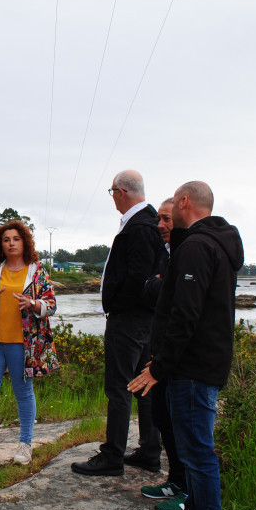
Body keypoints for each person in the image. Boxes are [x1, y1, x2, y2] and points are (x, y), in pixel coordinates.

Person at [128, 181, 244, 510]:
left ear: (183, 202)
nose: (167, 217)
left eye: (171, 207)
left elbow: (186, 315)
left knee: (199, 456)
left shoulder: (196, 246)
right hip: (199, 366)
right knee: (195, 454)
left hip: (192, 370)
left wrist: (158, 368)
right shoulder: (213, 244)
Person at [71, 170, 167, 477]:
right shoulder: (148, 222)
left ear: (121, 192)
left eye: (112, 192)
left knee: (120, 386)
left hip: (129, 319)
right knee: (143, 385)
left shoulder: (139, 227)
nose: (112, 198)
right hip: (144, 319)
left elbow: (138, 278)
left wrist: (115, 303)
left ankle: (113, 454)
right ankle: (150, 452)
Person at [0, 220, 59, 465]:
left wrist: (33, 304)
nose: (11, 243)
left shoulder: (37, 271)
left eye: (16, 239)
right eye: (6, 240)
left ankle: (25, 444)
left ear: (24, 242)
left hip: (23, 344)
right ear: (0, 245)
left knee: (23, 392)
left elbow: (51, 304)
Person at [140, 198, 189, 510]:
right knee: (163, 417)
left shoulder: (189, 255)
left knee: (185, 426)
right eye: (159, 219)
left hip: (181, 359)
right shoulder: (164, 254)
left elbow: (182, 308)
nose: (160, 226)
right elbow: (148, 290)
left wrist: (159, 286)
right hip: (159, 351)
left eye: (167, 220)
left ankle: (189, 494)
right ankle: (175, 480)